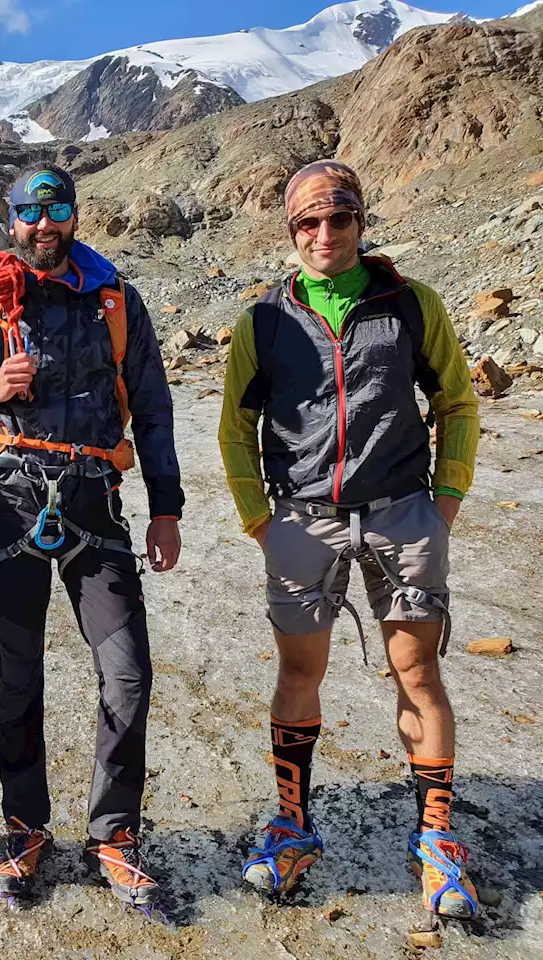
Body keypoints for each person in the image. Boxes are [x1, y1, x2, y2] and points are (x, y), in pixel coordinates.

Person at [218, 160, 481, 917]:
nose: (324, 233)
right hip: (303, 517)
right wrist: (259, 521)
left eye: (339, 218)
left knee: (417, 672)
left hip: (403, 512)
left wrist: (447, 499)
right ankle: (293, 824)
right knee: (300, 672)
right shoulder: (262, 320)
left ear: (361, 222)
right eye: (308, 221)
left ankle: (436, 840)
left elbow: (456, 403)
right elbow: (235, 427)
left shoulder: (409, 304)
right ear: (291, 232)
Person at [0, 164, 184, 908]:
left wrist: (165, 506)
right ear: (9, 219)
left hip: (95, 503)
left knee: (128, 672)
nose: (46, 225)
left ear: (76, 216)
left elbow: (153, 404)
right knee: (20, 671)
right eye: (31, 213)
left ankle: (114, 832)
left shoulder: (115, 301)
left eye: (59, 210)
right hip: (13, 501)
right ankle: (25, 827)